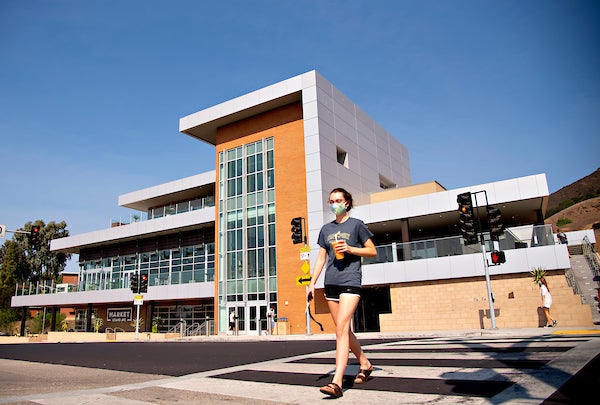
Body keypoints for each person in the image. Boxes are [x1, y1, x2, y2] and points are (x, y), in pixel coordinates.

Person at [307, 187, 377, 398]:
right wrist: (312, 284)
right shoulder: (326, 229)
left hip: (350, 281)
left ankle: (336, 382)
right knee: (343, 330)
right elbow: (321, 258)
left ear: (347, 203)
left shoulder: (357, 225)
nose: (334, 203)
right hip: (331, 283)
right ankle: (365, 363)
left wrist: (350, 249)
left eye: (338, 200)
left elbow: (372, 250)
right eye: (331, 200)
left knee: (341, 330)